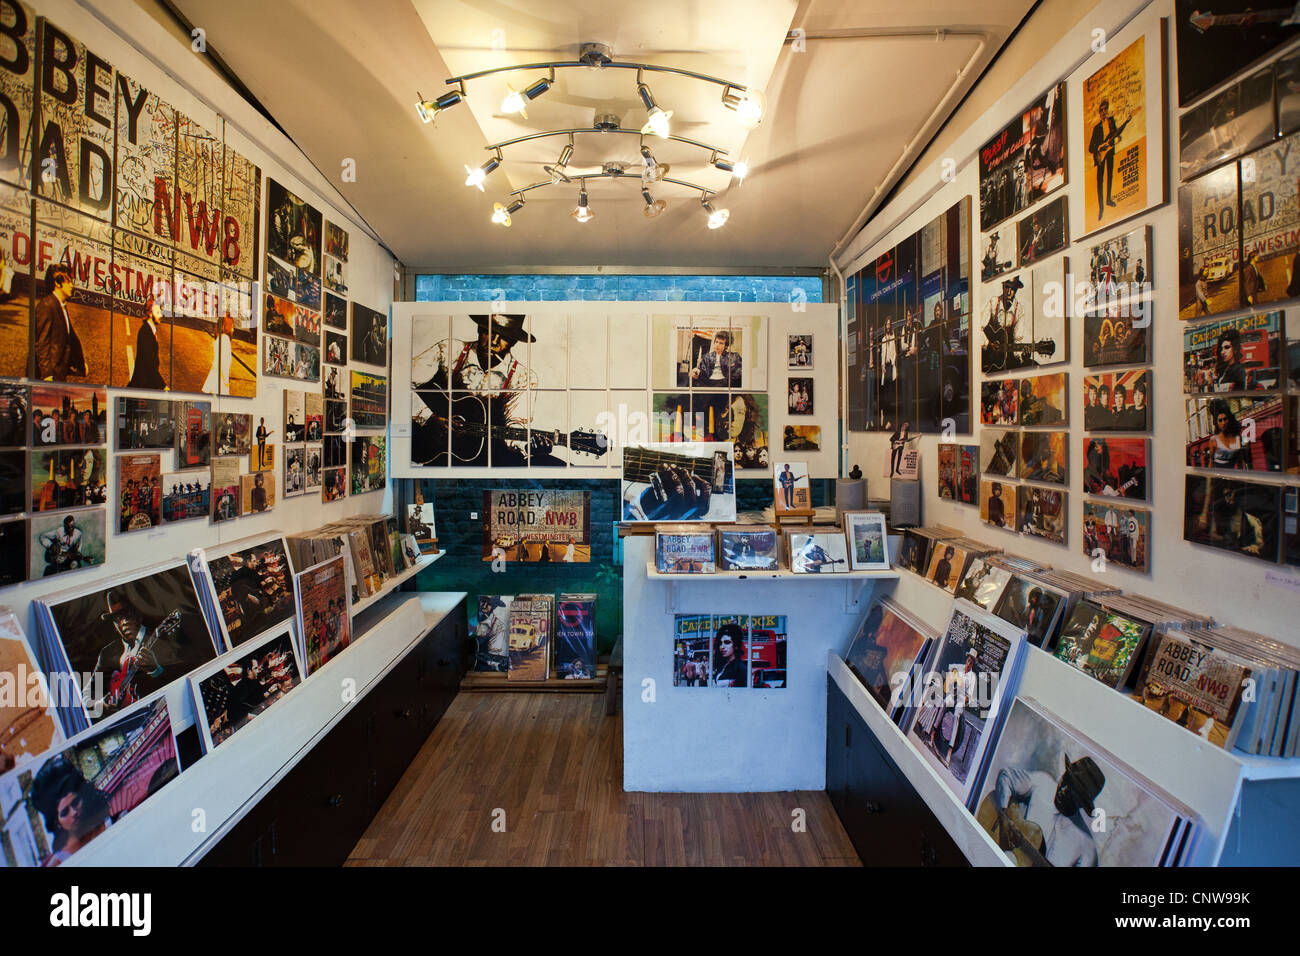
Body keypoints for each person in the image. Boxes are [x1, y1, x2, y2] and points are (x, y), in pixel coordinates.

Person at [411, 313, 560, 466]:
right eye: (489, 332)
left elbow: (515, 424)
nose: (493, 342)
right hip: (430, 448)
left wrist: (528, 446)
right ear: (479, 329)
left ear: (513, 341)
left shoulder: (522, 377)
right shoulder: (449, 350)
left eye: (504, 337)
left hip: (486, 455)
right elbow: (402, 383)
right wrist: (429, 418)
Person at [988, 754, 1105, 866]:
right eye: (1066, 779)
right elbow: (1006, 776)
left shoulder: (1087, 848)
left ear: (1082, 802)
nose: (1063, 789)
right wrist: (1003, 820)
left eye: (1072, 791)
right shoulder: (1041, 783)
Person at [30, 757, 112, 866]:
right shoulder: (59, 862)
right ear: (57, 822)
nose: (73, 813)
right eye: (65, 812)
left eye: (75, 802)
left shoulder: (109, 822)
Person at [33, 265, 86, 381]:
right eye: (68, 282)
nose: (71, 286)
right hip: (51, 374)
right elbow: (42, 343)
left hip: (60, 370)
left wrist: (80, 364)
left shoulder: (60, 304)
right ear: (57, 283)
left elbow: (69, 338)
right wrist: (47, 374)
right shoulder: (47, 305)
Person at [1088, 98, 1131, 220]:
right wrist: (1099, 147)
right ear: (1099, 112)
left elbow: (1116, 133)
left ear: (1107, 110)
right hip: (1100, 156)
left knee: (1110, 175)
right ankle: (1101, 208)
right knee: (1099, 181)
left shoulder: (1111, 121)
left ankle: (1108, 200)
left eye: (1105, 109)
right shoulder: (1097, 128)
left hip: (1110, 152)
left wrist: (1126, 122)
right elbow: (1090, 148)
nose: (1103, 112)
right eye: (1101, 110)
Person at [126, 295, 168, 390]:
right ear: (150, 313)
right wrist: (163, 386)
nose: (161, 316)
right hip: (142, 384)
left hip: (146, 383)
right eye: (158, 312)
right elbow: (149, 365)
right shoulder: (145, 332)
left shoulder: (150, 330)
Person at [1208, 399, 1250, 469]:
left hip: (1233, 472)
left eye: (1225, 419)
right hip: (1219, 473)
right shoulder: (1213, 440)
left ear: (1229, 420)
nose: (1223, 423)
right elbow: (1211, 462)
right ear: (1217, 423)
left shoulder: (1238, 437)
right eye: (1220, 420)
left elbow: (1242, 459)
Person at [711, 622, 747, 687]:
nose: (722, 647)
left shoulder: (740, 668)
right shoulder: (722, 666)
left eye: (727, 642)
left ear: (736, 645)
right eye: (720, 643)